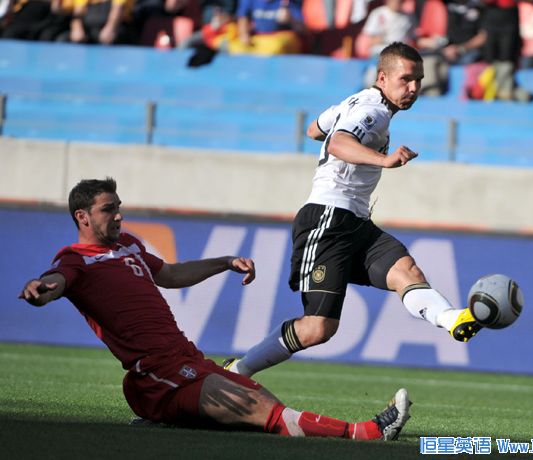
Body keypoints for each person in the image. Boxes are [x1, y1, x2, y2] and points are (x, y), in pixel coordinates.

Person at [18, 177, 411, 441]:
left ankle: (169, 416)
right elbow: (56, 281)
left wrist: (223, 262)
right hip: (157, 374)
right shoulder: (76, 259)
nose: (118, 215)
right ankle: (365, 433)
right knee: (268, 413)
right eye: (108, 209)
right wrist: (41, 290)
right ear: (82, 217)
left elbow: (169, 274)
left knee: (262, 407)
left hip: (188, 359)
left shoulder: (129, 246)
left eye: (118, 206)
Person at [224, 42, 482, 380]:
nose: (414, 88)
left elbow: (315, 129)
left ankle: (452, 319)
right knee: (318, 329)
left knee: (408, 272)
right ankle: (236, 371)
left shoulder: (357, 101)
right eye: (406, 79)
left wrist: (345, 134)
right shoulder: (372, 112)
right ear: (382, 78)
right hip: (328, 218)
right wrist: (382, 159)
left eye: (418, 80)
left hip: (355, 220)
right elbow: (335, 142)